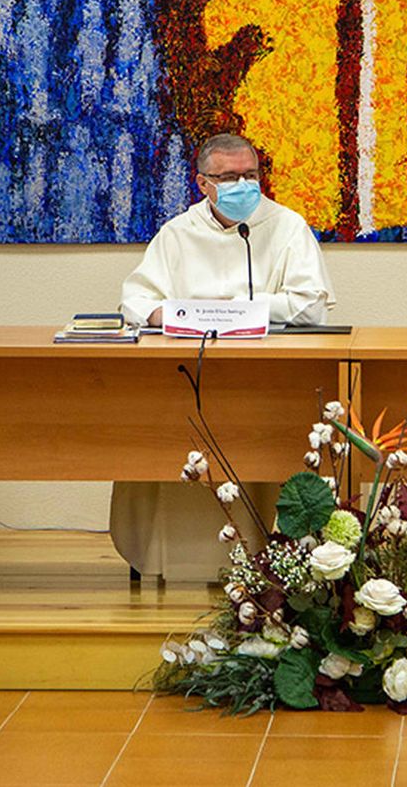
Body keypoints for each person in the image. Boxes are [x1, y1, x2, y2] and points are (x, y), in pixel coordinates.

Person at [114, 132, 335, 580]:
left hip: (270, 381)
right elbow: (135, 301)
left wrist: (240, 308)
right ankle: (173, 559)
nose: (244, 185)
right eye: (230, 177)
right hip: (188, 378)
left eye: (251, 175)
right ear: (203, 184)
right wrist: (171, 313)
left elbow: (311, 305)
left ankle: (275, 564)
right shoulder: (178, 233)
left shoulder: (286, 226)